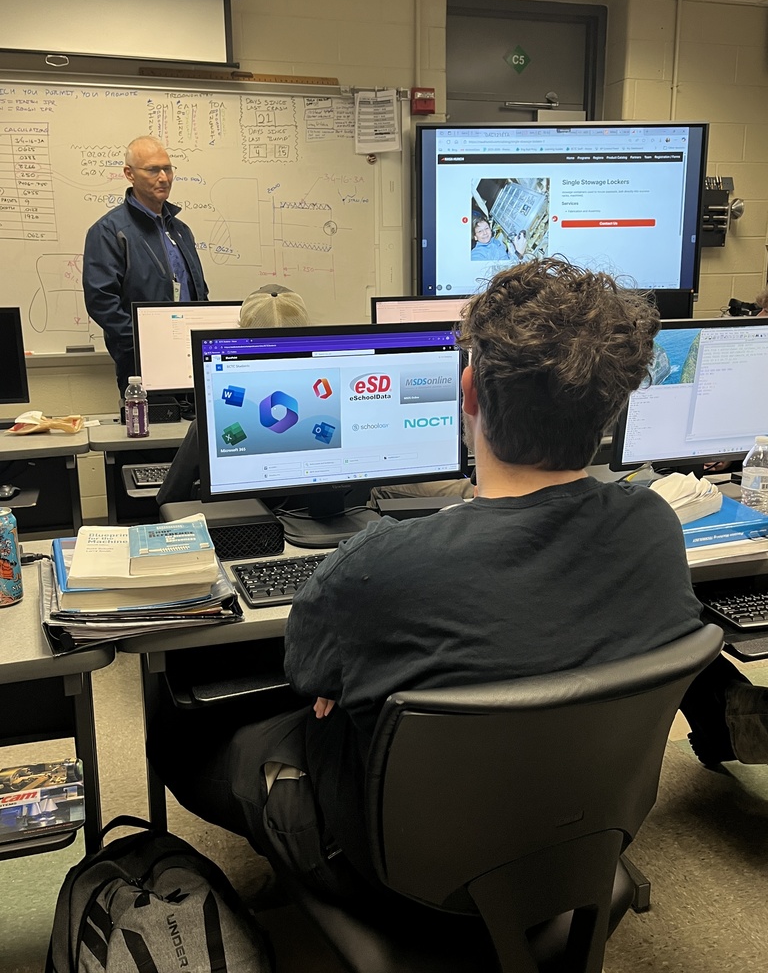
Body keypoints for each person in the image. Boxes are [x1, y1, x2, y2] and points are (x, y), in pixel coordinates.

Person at [149, 258, 735, 896]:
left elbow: (309, 677)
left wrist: (346, 679)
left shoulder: (380, 565)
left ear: (470, 392)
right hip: (578, 829)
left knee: (177, 718)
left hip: (398, 871)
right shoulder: (653, 525)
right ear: (614, 406)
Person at [156, 286, 310, 507]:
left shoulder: (213, 420)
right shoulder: (323, 400)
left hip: (245, 533)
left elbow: (168, 499)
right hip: (320, 529)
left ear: (240, 333)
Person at [82, 135, 209, 396]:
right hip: (143, 367)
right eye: (152, 170)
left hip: (192, 359)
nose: (163, 177)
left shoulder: (181, 230)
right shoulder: (109, 231)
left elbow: (198, 292)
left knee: (197, 434)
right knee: (155, 434)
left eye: (168, 168)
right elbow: (102, 302)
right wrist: (144, 345)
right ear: (129, 173)